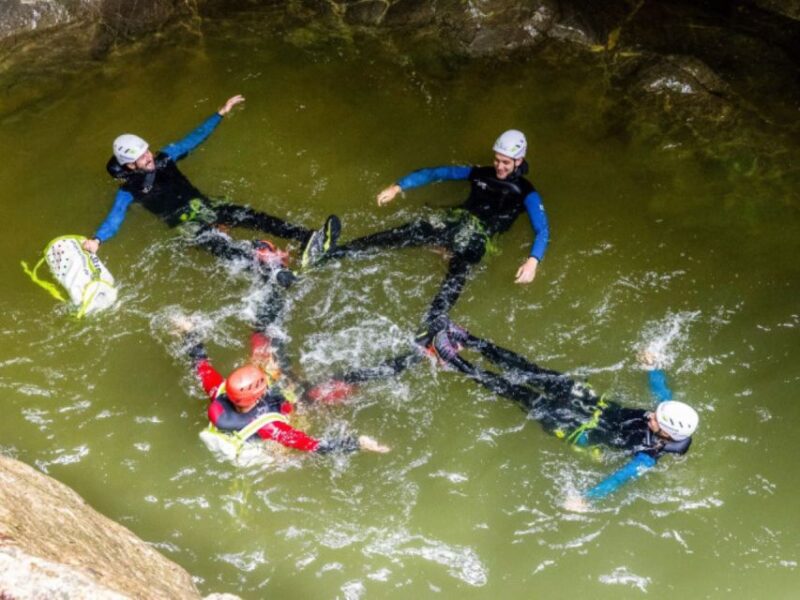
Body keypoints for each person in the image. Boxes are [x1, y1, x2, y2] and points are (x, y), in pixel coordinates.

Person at [428, 320, 699, 507]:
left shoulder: (647, 457)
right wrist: (652, 366)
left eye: (656, 419)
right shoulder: (666, 412)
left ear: (666, 433)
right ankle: (467, 338)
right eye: (656, 412)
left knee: (516, 391)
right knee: (530, 370)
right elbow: (661, 391)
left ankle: (454, 361)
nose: (651, 414)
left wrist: (585, 498)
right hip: (593, 403)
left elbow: (618, 479)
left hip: (578, 429)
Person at [177, 241, 388, 461]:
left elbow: (200, 364)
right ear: (258, 394)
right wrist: (358, 444)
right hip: (287, 415)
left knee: (263, 333)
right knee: (345, 383)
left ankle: (276, 277)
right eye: (263, 380)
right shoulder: (271, 427)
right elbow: (312, 445)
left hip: (260, 413)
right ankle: (419, 355)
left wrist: (188, 332)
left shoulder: (218, 390)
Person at [319, 129, 549, 329]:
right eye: (497, 160)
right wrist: (398, 187)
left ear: (519, 160)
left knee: (459, 268)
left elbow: (542, 230)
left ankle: (432, 324)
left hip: (480, 237)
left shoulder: (527, 192)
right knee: (406, 233)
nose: (499, 166)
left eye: (505, 162)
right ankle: (336, 252)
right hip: (457, 220)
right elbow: (436, 173)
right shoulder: (480, 173)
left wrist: (533, 261)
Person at [82, 94, 339, 269]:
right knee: (224, 249)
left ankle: (308, 238)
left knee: (253, 217)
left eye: (147, 151)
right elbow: (114, 218)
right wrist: (97, 239)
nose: (148, 157)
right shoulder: (128, 191)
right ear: (129, 165)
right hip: (186, 225)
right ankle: (270, 271)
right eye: (141, 157)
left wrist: (219, 114)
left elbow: (192, 139)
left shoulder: (165, 158)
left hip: (204, 206)